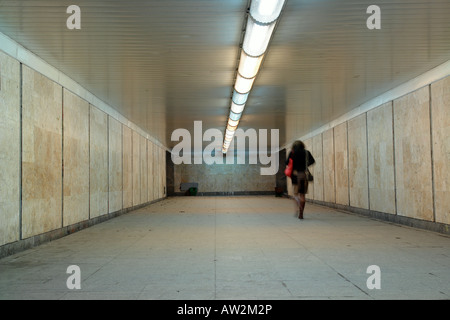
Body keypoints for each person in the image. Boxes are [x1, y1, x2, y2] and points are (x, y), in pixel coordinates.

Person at [286, 140, 315, 219]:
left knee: (295, 194)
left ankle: (297, 208)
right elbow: (312, 161)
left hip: (295, 176)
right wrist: (305, 166)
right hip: (303, 175)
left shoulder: (292, 153)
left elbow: (287, 163)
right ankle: (301, 212)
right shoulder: (306, 153)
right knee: (302, 195)